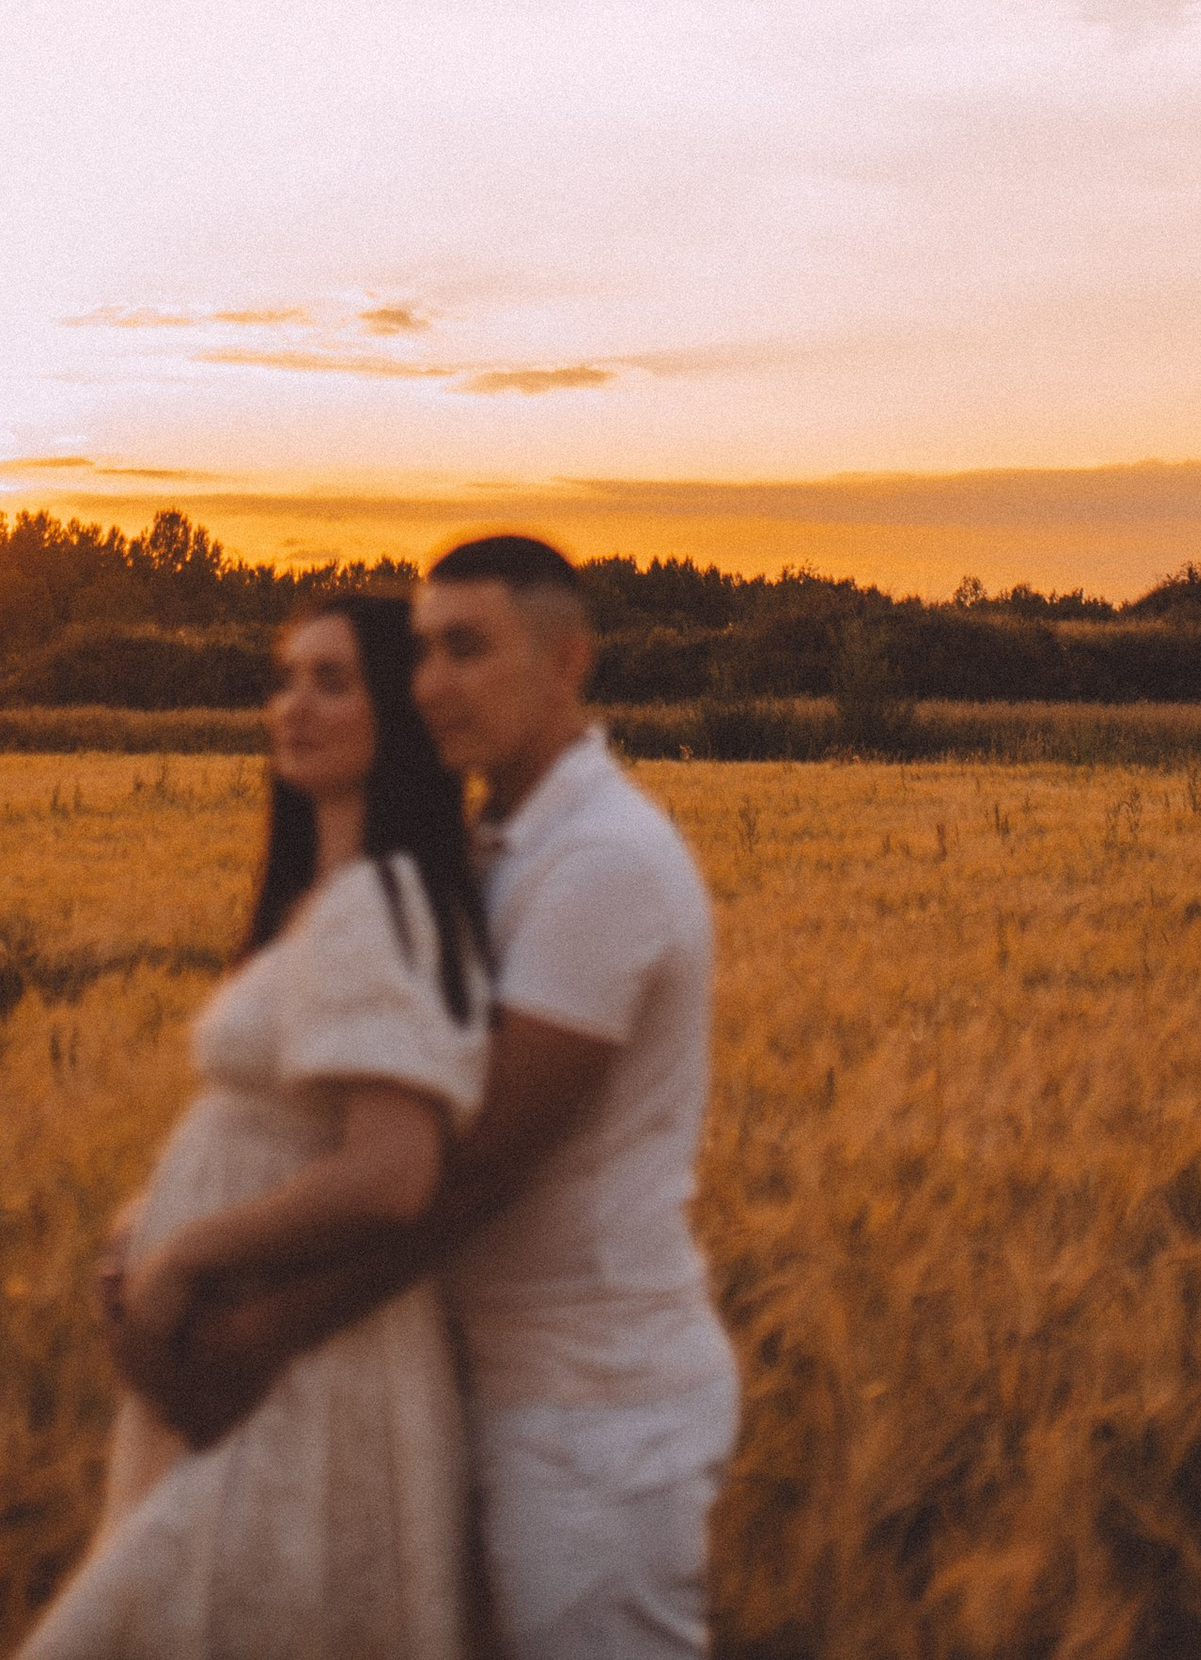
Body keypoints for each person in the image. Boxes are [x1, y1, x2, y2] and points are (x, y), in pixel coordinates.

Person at [118, 534, 737, 1660]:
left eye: (468, 647)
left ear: (565, 663)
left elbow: (477, 1166)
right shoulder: (484, 849)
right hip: (465, 1375)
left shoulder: (601, 861)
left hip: (588, 1407)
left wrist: (259, 1332)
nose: (434, 681)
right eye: (422, 652)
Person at [20, 591, 490, 1660]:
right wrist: (143, 1222)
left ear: (401, 713)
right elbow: (281, 1123)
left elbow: (391, 1169)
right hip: (253, 1363)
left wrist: (185, 1255)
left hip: (294, 1368)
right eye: (285, 677)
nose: (295, 704)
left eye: (334, 680)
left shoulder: (377, 902)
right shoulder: (323, 900)